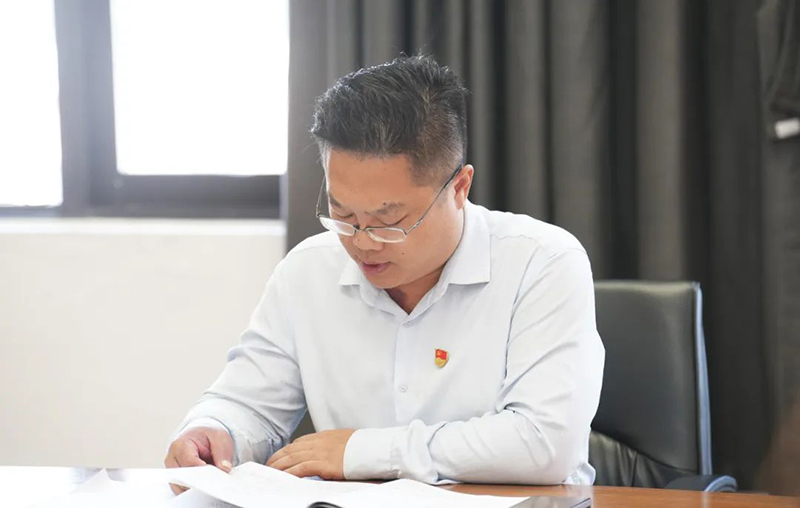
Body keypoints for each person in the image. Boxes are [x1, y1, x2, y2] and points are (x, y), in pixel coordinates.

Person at [165, 55, 605, 489]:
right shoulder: (308, 270)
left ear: (459, 187)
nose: (362, 242)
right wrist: (214, 429)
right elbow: (249, 404)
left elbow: (545, 443)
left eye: (388, 221)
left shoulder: (542, 263)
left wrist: (360, 452)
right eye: (342, 213)